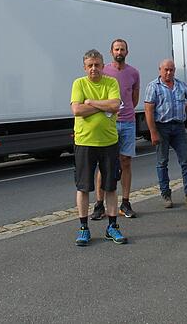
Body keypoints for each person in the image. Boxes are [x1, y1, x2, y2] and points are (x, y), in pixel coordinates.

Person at [70, 49, 127, 246]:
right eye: (90, 65)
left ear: (103, 66)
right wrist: (103, 106)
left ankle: (112, 227)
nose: (94, 68)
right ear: (85, 68)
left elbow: (115, 105)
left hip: (109, 143)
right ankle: (84, 228)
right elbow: (77, 110)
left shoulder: (111, 82)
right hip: (84, 143)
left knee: (110, 187)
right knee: (84, 187)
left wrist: (91, 103)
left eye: (97, 65)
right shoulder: (79, 83)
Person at [90, 39, 141, 220]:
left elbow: (134, 99)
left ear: (127, 52)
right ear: (111, 52)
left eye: (122, 49)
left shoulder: (134, 73)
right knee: (103, 163)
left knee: (126, 161)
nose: (119, 52)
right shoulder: (104, 71)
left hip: (127, 122)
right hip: (107, 122)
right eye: (116, 49)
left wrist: (124, 111)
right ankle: (99, 204)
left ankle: (125, 203)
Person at [144, 59, 187, 208]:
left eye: (171, 70)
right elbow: (148, 110)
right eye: (166, 69)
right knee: (162, 162)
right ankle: (166, 195)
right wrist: (153, 132)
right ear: (160, 70)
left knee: (186, 161)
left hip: (179, 127)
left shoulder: (180, 85)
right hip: (162, 127)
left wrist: (184, 113)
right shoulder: (153, 86)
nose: (169, 72)